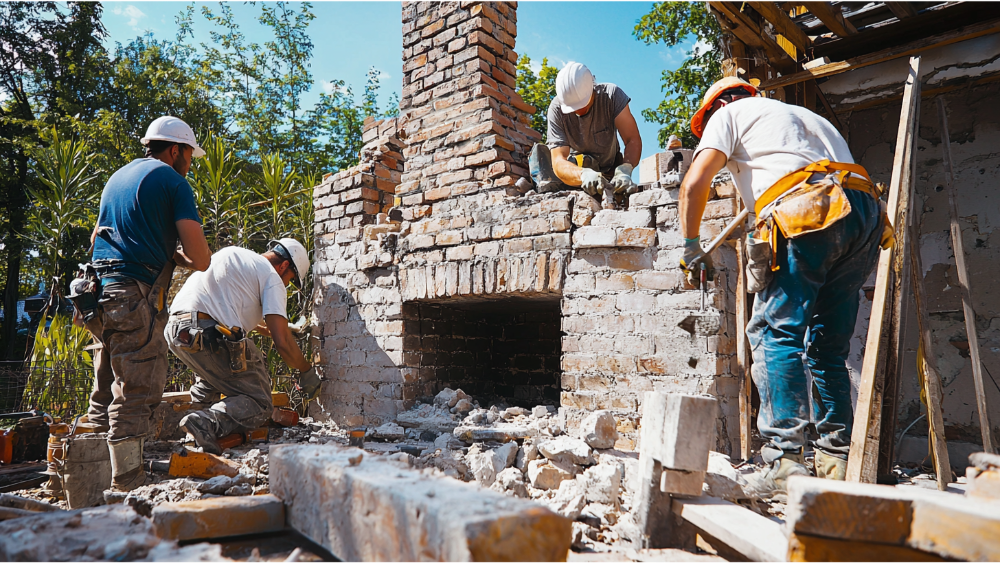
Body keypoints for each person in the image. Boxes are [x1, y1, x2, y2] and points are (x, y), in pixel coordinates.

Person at [678, 77, 891, 496]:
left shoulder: (729, 115)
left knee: (775, 333)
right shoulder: (802, 117)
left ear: (715, 107)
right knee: (828, 346)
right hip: (865, 214)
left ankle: (784, 460)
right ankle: (836, 457)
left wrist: (690, 246)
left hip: (807, 210)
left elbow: (694, 183)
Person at [81, 116, 211, 491]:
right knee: (136, 389)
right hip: (133, 296)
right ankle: (126, 487)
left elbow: (96, 240)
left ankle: (85, 480)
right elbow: (201, 259)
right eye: (189, 155)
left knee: (105, 385)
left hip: (97, 295)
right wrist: (194, 255)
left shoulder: (118, 178)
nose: (190, 163)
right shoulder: (173, 182)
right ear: (175, 151)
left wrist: (171, 254)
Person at [165, 239, 321, 455]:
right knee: (260, 402)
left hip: (178, 330)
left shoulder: (235, 255)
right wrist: (306, 370)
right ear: (284, 266)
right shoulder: (272, 277)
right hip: (206, 331)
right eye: (290, 280)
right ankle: (204, 422)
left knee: (213, 378)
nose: (285, 285)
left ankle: (194, 433)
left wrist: (287, 327)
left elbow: (233, 312)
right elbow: (282, 342)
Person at [529, 62, 642, 198]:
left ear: (592, 89)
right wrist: (583, 174)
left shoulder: (611, 96)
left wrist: (626, 168)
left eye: (583, 104)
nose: (578, 110)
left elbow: (632, 139)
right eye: (573, 107)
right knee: (541, 155)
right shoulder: (557, 109)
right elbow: (558, 161)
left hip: (611, 171)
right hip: (576, 174)